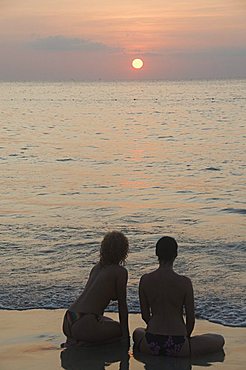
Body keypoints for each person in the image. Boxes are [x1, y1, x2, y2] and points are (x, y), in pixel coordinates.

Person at [133, 236, 224, 357]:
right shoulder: (185, 283)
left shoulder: (145, 280)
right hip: (178, 344)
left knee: (138, 332)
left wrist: (157, 330)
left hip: (151, 343)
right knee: (219, 339)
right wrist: (184, 338)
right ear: (175, 254)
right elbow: (190, 320)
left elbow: (145, 316)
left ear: (156, 253)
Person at [62, 231, 129, 347]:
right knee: (118, 331)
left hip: (69, 318)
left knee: (108, 322)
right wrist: (125, 336)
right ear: (123, 251)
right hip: (85, 322)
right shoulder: (120, 272)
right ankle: (85, 343)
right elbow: (122, 306)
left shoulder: (96, 268)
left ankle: (76, 339)